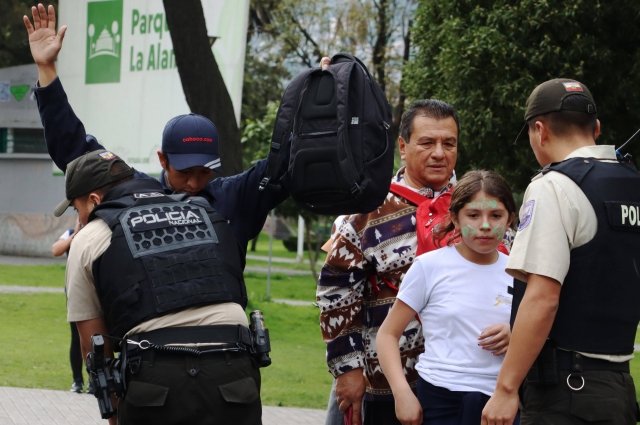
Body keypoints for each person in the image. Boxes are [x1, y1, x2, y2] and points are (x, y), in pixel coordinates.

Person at [23, 3, 286, 249]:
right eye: (185, 172)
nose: (194, 183)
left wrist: (324, 85)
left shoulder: (234, 196)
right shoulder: (134, 191)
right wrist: (46, 68)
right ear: (162, 159)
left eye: (205, 172)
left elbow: (288, 160)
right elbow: (75, 149)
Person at [57, 149, 262, 425]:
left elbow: (94, 347)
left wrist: (115, 414)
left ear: (93, 201)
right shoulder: (202, 211)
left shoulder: (89, 237)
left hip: (155, 379)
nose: (78, 217)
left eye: (76, 208)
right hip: (235, 370)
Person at [482, 78, 640, 425]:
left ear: (539, 130)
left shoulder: (553, 186)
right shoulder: (632, 182)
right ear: (596, 128)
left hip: (566, 393)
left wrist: (506, 389)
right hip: (619, 390)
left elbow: (542, 298)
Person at [317, 99, 461, 425]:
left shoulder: (477, 207)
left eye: (448, 143)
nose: (439, 153)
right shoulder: (368, 209)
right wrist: (348, 370)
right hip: (382, 387)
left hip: (460, 385)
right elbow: (335, 294)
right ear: (403, 146)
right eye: (427, 142)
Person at [377, 170, 518, 425]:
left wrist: (516, 333)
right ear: (454, 217)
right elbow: (387, 335)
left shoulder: (521, 274)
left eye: (496, 215)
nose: (485, 225)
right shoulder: (428, 267)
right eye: (473, 215)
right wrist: (402, 393)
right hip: (439, 400)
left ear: (510, 219)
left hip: (500, 403)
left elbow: (544, 332)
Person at [51, 217, 85, 394]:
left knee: (97, 337)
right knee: (76, 336)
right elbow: (56, 250)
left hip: (96, 291)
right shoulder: (71, 234)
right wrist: (76, 234)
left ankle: (96, 381)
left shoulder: (97, 231)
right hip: (74, 291)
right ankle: (77, 381)